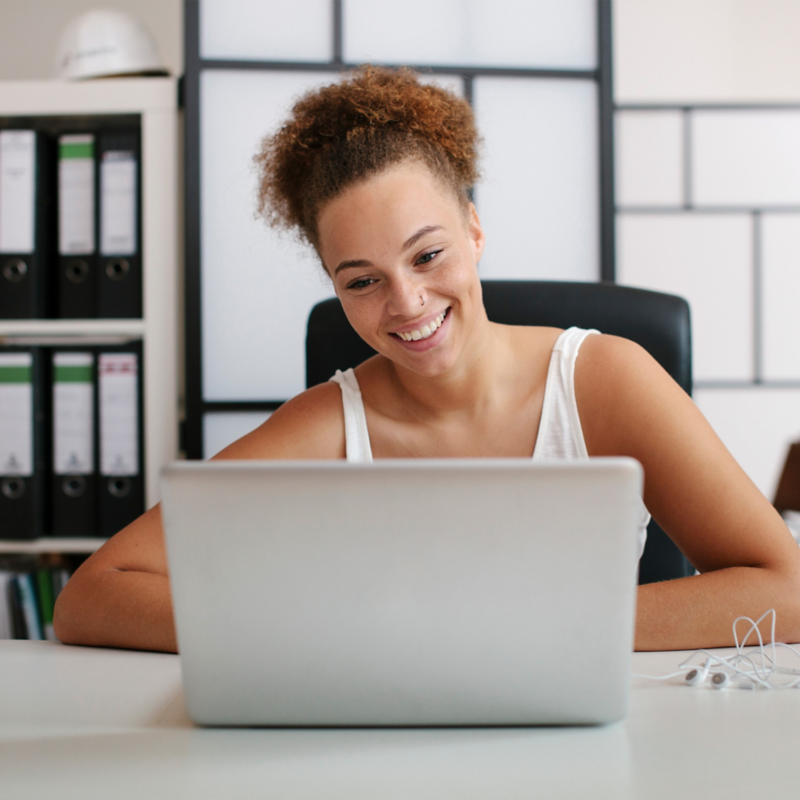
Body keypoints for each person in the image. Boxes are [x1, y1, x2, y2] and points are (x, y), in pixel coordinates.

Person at [53, 66, 800, 653]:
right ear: (334, 287)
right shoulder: (326, 426)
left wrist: (527, 626)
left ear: (474, 230)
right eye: (362, 281)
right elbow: (92, 596)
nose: (406, 303)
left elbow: (787, 589)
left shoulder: (606, 380)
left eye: (428, 254)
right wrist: (330, 628)